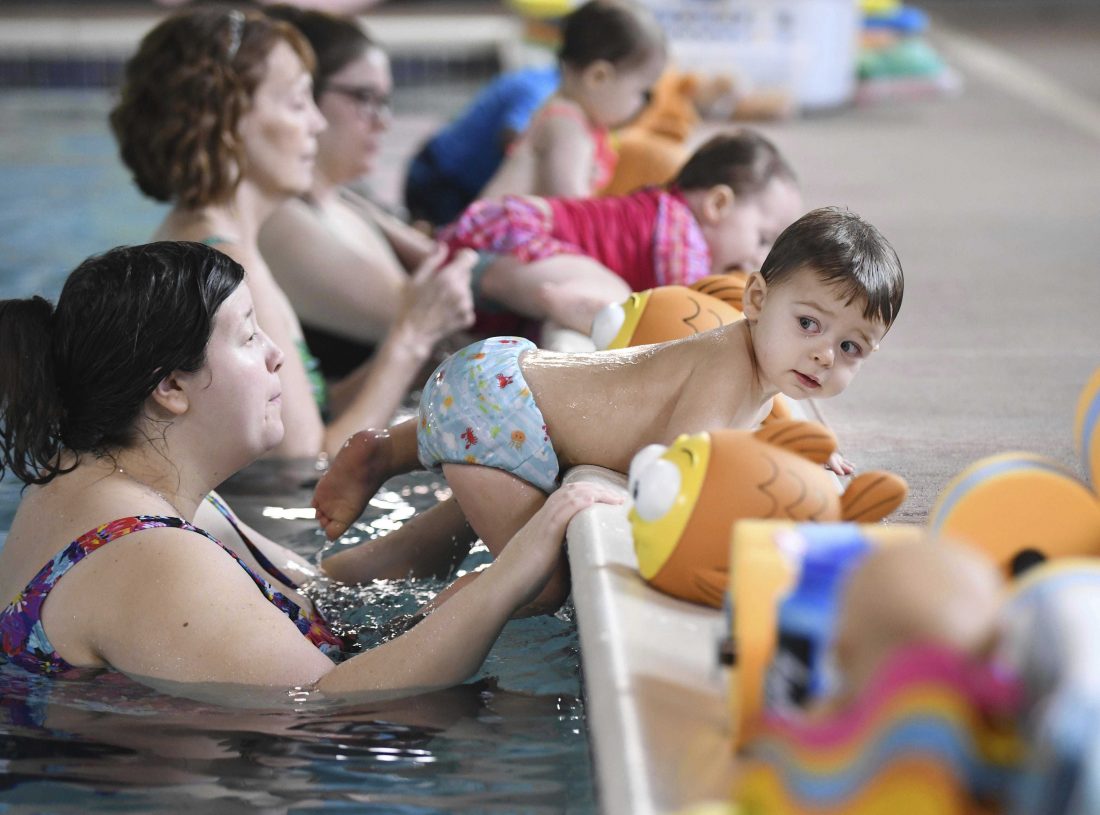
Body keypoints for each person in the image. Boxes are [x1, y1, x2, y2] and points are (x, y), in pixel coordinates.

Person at [0, 241, 622, 698]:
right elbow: (333, 703)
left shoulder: (133, 483)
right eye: (248, 338)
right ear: (169, 386)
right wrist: (510, 574)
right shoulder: (144, 554)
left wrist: (481, 481)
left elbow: (324, 590)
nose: (276, 359)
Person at [313, 206, 905, 614]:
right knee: (538, 587)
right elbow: (682, 473)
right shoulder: (727, 367)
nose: (824, 354)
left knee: (426, 553)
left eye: (850, 347)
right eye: (809, 324)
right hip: (505, 415)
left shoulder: (758, 368)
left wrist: (810, 467)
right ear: (755, 299)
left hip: (504, 382)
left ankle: (386, 459)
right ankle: (414, 633)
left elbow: (755, 436)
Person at [109, 7, 475, 461]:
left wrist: (414, 347)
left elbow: (308, 410)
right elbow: (308, 465)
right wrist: (411, 339)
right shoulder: (225, 267)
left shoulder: (216, 242)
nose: (317, 125)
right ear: (230, 121)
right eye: (299, 103)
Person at [258, 6, 473, 382]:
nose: (382, 120)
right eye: (363, 97)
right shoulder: (278, 220)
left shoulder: (346, 201)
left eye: (384, 101)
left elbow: (459, 271)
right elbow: (442, 329)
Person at [445, 128, 804, 336]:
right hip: (516, 238)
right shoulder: (683, 237)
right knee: (615, 296)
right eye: (762, 237)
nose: (761, 257)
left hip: (503, 233)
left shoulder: (663, 209)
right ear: (718, 205)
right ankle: (556, 299)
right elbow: (692, 319)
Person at [478, 0, 668, 203]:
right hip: (500, 230)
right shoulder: (567, 125)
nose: (641, 104)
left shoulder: (565, 113)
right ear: (598, 77)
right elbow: (571, 206)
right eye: (641, 92)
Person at [404, 65, 560, 229]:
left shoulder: (543, 77)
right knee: (450, 244)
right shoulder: (540, 90)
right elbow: (511, 138)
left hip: (447, 173)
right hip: (441, 182)